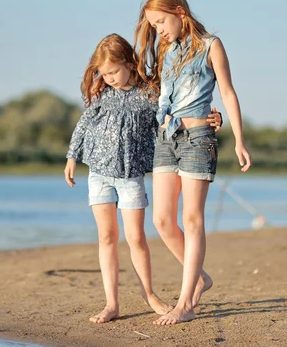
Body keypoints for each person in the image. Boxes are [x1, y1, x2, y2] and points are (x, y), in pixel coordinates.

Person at [64, 33, 222, 324]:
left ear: (128, 63)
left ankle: (148, 294)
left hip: (131, 174)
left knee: (136, 237)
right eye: (104, 73)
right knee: (106, 236)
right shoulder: (101, 93)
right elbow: (84, 123)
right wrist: (72, 156)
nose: (109, 77)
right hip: (98, 172)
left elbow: (178, 109)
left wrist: (211, 116)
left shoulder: (150, 93)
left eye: (113, 71)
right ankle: (112, 304)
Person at [134, 0, 252, 326]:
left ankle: (186, 303)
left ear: (180, 12)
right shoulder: (168, 50)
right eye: (154, 26)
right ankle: (199, 276)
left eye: (161, 22)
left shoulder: (212, 45)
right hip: (166, 137)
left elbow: (227, 92)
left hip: (199, 137)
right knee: (161, 220)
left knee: (192, 219)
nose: (159, 30)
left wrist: (238, 139)